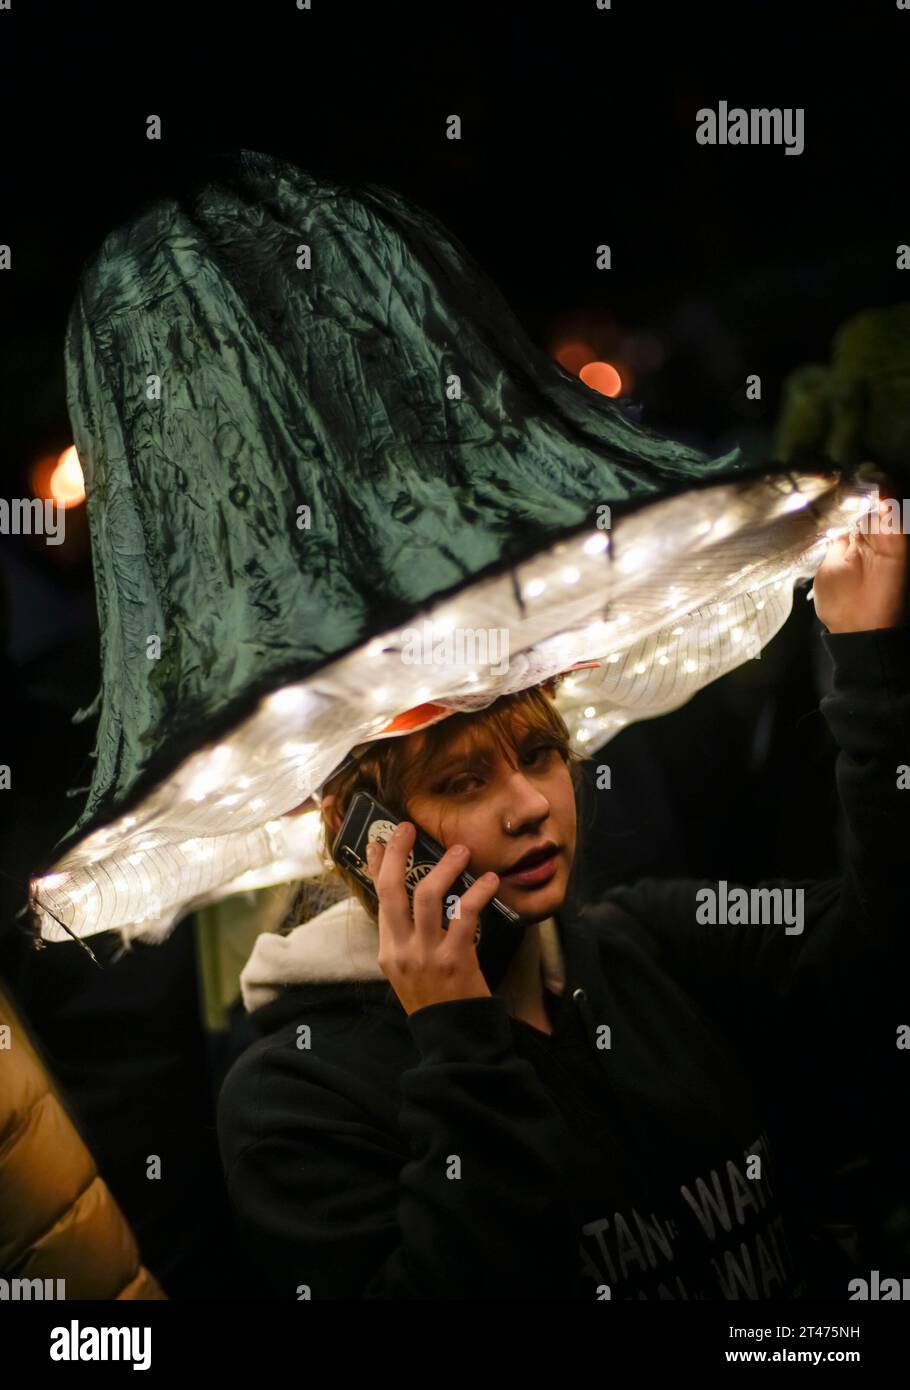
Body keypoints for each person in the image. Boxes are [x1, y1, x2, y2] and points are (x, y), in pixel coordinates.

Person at [216, 517, 910, 1301]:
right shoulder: (293, 1094)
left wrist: (872, 671)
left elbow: (882, 954)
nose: (530, 807)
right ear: (367, 833)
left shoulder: (651, 943)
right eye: (463, 782)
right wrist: (456, 1042)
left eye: (540, 756)